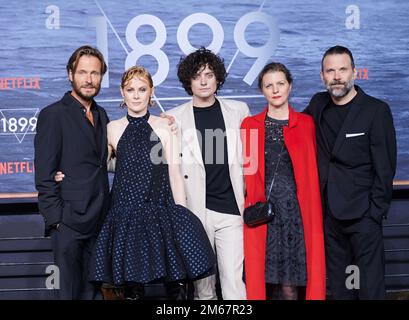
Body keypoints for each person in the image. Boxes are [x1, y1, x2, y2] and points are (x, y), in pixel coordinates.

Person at [88, 66, 215, 300]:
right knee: (130, 288)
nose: (136, 95)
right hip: (124, 214)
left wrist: (181, 214)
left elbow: (174, 173)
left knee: (175, 285)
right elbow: (97, 165)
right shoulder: (112, 129)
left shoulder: (166, 126)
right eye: (130, 89)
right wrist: (63, 174)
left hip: (159, 209)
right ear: (122, 93)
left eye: (142, 89)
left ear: (151, 92)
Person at [304, 45, 397, 299]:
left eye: (342, 69)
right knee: (342, 287)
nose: (337, 76)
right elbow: (295, 128)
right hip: (330, 216)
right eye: (330, 70)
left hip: (363, 216)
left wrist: (374, 213)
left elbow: (385, 166)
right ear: (322, 75)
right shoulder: (317, 104)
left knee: (369, 288)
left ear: (354, 72)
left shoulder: (376, 110)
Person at [167, 47, 248, 300]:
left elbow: (251, 162)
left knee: (234, 284)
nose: (203, 81)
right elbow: (157, 162)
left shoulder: (239, 111)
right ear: (188, 80)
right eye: (197, 75)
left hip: (232, 210)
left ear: (218, 79)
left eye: (209, 74)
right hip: (196, 212)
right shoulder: (174, 118)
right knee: (203, 290)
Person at [241, 62, 326, 300]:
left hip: (296, 215)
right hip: (264, 214)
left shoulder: (306, 124)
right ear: (262, 91)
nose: (275, 90)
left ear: (289, 86)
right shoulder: (250, 126)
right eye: (269, 85)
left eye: (280, 83)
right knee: (265, 284)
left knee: (291, 286)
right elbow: (247, 173)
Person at [34, 46, 110, 299]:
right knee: (68, 294)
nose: (89, 79)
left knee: (93, 294)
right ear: (70, 75)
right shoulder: (53, 115)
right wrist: (57, 220)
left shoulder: (102, 114)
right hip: (69, 223)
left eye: (95, 73)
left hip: (99, 220)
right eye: (82, 72)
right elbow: (44, 174)